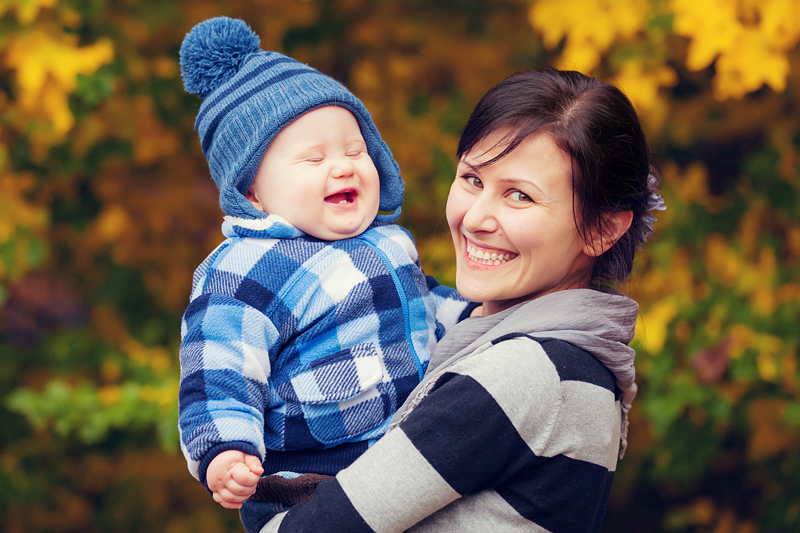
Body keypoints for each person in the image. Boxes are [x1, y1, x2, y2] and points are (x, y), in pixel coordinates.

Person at [259, 67, 665, 532]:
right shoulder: (550, 355)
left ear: (602, 229)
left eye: (519, 196)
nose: (475, 219)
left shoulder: (527, 372)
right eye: (472, 179)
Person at [176, 17, 474, 533]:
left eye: (355, 150)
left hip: (404, 449)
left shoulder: (388, 243)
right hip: (310, 477)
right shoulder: (245, 270)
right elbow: (219, 365)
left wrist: (486, 313)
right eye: (313, 158)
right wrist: (224, 449)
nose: (343, 166)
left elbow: (426, 308)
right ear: (252, 193)